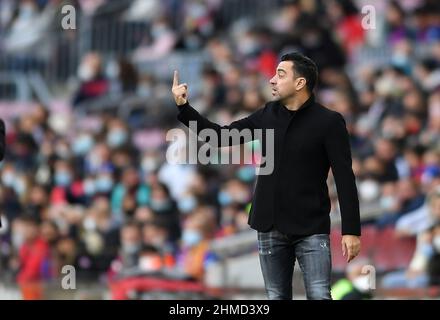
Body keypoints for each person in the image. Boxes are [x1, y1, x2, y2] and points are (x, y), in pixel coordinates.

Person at [171, 52, 361, 300]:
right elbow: (219, 137)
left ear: (300, 83)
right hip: (270, 225)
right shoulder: (268, 114)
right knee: (276, 297)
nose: (272, 80)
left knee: (319, 296)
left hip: (311, 226)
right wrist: (184, 108)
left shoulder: (329, 122)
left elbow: (345, 178)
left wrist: (351, 230)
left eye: (280, 74)